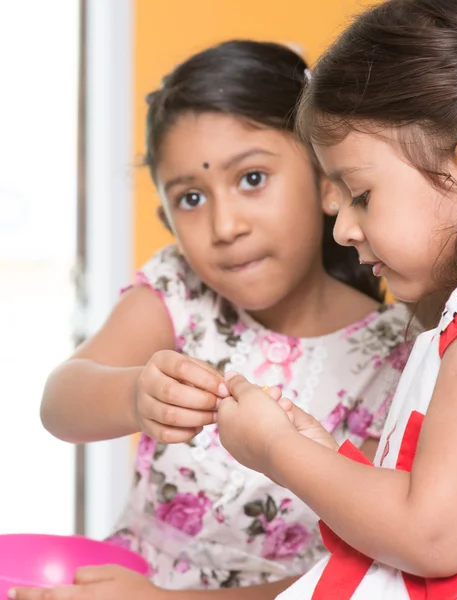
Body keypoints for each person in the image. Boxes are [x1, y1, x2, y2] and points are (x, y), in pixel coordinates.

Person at [215, 1, 457, 597]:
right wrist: (324, 454)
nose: (342, 228)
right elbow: (438, 505)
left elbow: (433, 536)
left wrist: (278, 450)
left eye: (360, 194)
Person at [9, 41, 416, 600]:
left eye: (251, 179)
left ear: (328, 179)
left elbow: (353, 575)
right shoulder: (181, 289)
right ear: (167, 218)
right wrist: (133, 393)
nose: (224, 225)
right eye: (192, 198)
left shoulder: (397, 357)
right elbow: (60, 403)